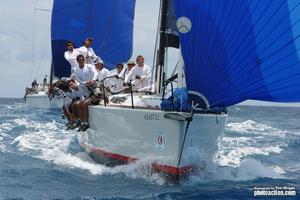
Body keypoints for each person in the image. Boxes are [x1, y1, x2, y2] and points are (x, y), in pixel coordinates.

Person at [74, 55, 98, 131]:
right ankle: (82, 123)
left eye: (82, 60)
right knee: (79, 104)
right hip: (85, 89)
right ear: (77, 61)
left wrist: (93, 80)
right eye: (79, 60)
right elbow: (79, 81)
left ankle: (86, 123)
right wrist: (86, 83)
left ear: (84, 60)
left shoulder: (89, 66)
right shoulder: (76, 69)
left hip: (94, 89)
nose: (81, 61)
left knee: (84, 104)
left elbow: (96, 73)